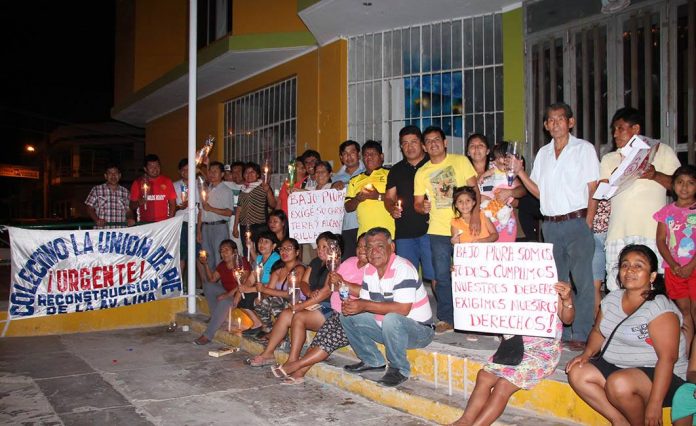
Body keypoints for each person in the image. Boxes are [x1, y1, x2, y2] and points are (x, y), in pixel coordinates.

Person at [566, 244, 688, 425]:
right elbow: (599, 331)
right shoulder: (612, 299)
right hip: (620, 367)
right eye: (625, 265)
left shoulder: (660, 308)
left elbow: (667, 359)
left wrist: (655, 404)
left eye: (638, 266)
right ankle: (619, 421)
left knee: (619, 383)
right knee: (577, 371)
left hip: (661, 376)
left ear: (652, 276)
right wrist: (586, 354)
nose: (630, 270)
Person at [511, 102, 599, 347]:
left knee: (582, 280)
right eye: (551, 120)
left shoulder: (584, 149)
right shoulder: (543, 153)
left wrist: (588, 222)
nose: (556, 123)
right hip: (550, 225)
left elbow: (593, 188)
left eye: (561, 119)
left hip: (577, 221)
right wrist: (520, 172)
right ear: (546, 125)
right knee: (557, 281)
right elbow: (539, 192)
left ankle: (581, 333)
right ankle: (561, 331)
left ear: (570, 122)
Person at [450, 282, 575, 425]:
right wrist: (463, 276)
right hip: (513, 348)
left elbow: (567, 319)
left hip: (542, 352)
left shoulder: (546, 285)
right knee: (484, 376)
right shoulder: (505, 283)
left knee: (504, 384)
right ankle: (464, 422)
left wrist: (567, 299)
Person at [269, 234, 369, 385]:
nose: (361, 250)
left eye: (366, 247)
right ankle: (298, 373)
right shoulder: (349, 262)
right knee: (318, 340)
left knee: (326, 342)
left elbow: (362, 291)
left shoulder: (372, 269)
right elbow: (332, 285)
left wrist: (342, 283)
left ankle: (294, 366)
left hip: (353, 316)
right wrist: (334, 283)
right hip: (337, 312)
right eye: (359, 246)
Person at [340, 227, 434, 387]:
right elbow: (366, 300)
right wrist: (354, 305)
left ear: (392, 247)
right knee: (348, 316)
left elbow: (402, 309)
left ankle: (399, 369)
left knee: (392, 318)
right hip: (387, 328)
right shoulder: (370, 269)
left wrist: (363, 305)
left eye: (380, 246)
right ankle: (372, 360)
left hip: (419, 331)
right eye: (369, 247)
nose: (374, 252)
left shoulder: (403, 268)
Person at [601, 107, 681, 291]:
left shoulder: (663, 151)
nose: (615, 134)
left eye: (620, 128)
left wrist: (655, 175)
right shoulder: (609, 158)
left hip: (653, 232)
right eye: (614, 129)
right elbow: (602, 193)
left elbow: (679, 186)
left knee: (653, 287)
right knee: (617, 287)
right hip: (618, 233)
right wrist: (618, 175)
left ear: (636, 129)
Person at [414, 126, 480, 334]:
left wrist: (476, 217)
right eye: (428, 141)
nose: (433, 144)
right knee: (442, 276)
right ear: (424, 147)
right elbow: (417, 203)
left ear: (444, 142)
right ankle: (446, 317)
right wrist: (422, 207)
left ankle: (474, 317)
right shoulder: (422, 172)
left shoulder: (460, 161)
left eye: (437, 139)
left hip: (465, 227)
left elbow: (475, 191)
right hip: (438, 230)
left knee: (470, 274)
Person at [245, 232, 339, 367]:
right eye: (318, 247)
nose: (320, 250)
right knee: (285, 314)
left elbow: (325, 293)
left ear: (334, 248)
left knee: (298, 316)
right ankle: (268, 353)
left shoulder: (335, 264)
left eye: (325, 247)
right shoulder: (315, 262)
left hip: (327, 307)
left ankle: (292, 361)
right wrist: (309, 292)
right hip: (310, 304)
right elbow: (304, 283)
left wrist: (301, 305)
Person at [384, 126, 434, 283]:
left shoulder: (433, 163)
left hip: (431, 230)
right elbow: (389, 197)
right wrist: (392, 208)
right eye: (405, 143)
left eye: (413, 142)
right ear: (401, 146)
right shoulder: (396, 170)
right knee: (406, 278)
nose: (409, 147)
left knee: (435, 276)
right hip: (404, 233)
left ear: (422, 144)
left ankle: (441, 301)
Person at [654, 165, 696, 349]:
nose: (684, 187)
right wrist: (673, 265)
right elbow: (660, 240)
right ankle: (688, 353)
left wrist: (691, 265)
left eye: (690, 183)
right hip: (674, 270)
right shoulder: (666, 211)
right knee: (684, 312)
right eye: (680, 182)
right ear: (673, 185)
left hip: (694, 267)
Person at [193, 240, 250, 345]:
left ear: (234, 251)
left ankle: (207, 335)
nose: (223, 253)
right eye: (221, 251)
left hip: (240, 294)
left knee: (224, 301)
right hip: (227, 293)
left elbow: (244, 283)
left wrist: (227, 295)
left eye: (226, 250)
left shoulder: (241, 262)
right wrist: (205, 264)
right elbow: (212, 280)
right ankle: (216, 316)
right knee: (208, 286)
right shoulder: (222, 265)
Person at [254, 238, 306, 337]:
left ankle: (282, 334)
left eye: (288, 248)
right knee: (259, 301)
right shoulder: (279, 270)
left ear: (297, 252)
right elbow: (269, 291)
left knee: (275, 301)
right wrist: (262, 295)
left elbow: (290, 294)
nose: (284, 251)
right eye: (282, 249)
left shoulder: (299, 269)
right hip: (281, 301)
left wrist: (265, 289)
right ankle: (268, 327)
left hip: (296, 302)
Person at [345, 140, 395, 240]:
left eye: (373, 154)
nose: (369, 157)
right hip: (364, 235)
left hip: (389, 232)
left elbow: (398, 199)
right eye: (366, 155)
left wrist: (377, 196)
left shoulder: (391, 174)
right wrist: (358, 199)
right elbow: (347, 207)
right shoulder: (354, 180)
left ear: (381, 157)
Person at [476, 142, 522, 242]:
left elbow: (521, 191)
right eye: (496, 158)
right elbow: (489, 172)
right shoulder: (494, 170)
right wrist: (482, 177)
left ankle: (504, 220)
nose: (497, 160)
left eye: (499, 158)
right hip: (492, 211)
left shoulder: (510, 173)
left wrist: (510, 193)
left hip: (506, 206)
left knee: (504, 211)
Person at [237, 231, 280, 334]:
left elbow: (271, 284)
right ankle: (257, 323)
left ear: (274, 246)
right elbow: (252, 278)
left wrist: (249, 289)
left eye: (266, 242)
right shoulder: (259, 258)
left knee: (249, 297)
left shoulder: (276, 259)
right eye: (260, 241)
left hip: (271, 290)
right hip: (259, 288)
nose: (262, 244)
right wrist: (243, 288)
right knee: (242, 296)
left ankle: (265, 326)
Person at [197, 161, 234, 279]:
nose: (212, 174)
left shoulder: (226, 190)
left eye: (215, 171)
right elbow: (201, 211)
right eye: (210, 171)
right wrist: (198, 230)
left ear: (222, 174)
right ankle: (210, 285)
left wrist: (211, 208)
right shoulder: (205, 189)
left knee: (220, 257)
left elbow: (229, 212)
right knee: (206, 258)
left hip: (219, 227)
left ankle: (222, 285)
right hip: (205, 228)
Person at [232, 162, 277, 258]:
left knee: (260, 251)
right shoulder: (243, 189)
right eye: (246, 172)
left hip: (259, 226)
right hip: (244, 226)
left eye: (252, 172)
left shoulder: (263, 185)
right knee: (247, 251)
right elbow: (239, 208)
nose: (249, 174)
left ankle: (261, 267)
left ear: (257, 175)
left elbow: (273, 204)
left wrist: (268, 190)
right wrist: (235, 226)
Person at [332, 140, 365, 259]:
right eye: (345, 154)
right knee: (348, 260)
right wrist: (333, 186)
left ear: (359, 154)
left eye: (352, 152)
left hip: (364, 224)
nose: (349, 156)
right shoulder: (336, 177)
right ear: (341, 157)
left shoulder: (367, 172)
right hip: (344, 226)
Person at [129, 154, 176, 223]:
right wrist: (139, 202)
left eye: (157, 166)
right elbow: (131, 206)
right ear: (145, 169)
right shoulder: (137, 183)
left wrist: (169, 222)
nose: (155, 169)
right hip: (145, 223)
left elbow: (172, 204)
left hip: (163, 223)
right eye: (151, 167)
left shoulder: (167, 181)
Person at [84, 163, 133, 228]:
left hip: (121, 231)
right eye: (110, 173)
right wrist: (97, 220)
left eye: (115, 173)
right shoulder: (96, 190)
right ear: (105, 176)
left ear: (120, 175)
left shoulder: (126, 192)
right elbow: (89, 208)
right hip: (102, 230)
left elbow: (129, 211)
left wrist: (130, 218)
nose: (113, 176)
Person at [173, 158, 200, 272]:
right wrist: (179, 207)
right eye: (183, 170)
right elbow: (170, 206)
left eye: (189, 169)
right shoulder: (174, 185)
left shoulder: (199, 184)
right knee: (181, 254)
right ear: (179, 171)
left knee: (198, 254)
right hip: (180, 222)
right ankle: (180, 281)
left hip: (196, 222)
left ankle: (203, 282)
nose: (186, 172)